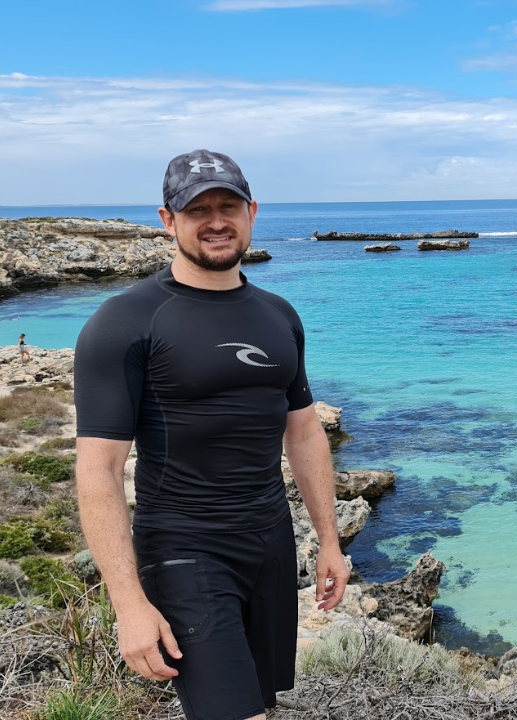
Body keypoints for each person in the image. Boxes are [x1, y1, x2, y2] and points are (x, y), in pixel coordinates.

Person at [74, 150, 349, 720]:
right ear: (168, 221)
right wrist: (128, 602)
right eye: (197, 210)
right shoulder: (126, 321)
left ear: (252, 213)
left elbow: (301, 430)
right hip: (184, 549)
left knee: (258, 703)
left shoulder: (279, 315)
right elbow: (97, 469)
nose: (216, 221)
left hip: (271, 544)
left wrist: (329, 540)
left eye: (228, 206)